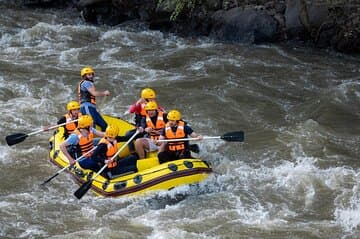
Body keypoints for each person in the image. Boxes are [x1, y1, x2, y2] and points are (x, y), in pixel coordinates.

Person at [78, 66, 110, 131]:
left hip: (91, 108)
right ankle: (91, 140)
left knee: (104, 125)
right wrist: (104, 93)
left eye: (92, 74)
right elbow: (94, 93)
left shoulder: (89, 83)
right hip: (86, 107)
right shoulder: (86, 82)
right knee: (91, 125)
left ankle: (104, 140)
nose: (91, 76)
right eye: (89, 75)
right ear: (84, 76)